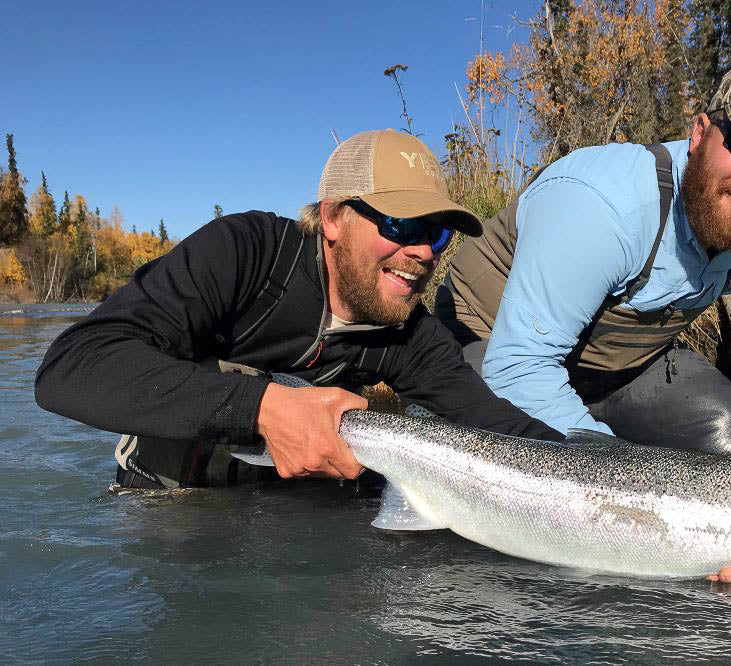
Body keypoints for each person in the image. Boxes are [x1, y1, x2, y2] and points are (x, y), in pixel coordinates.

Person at [35, 129, 563, 489]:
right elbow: (72, 366)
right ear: (334, 218)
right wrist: (264, 407)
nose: (424, 252)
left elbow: (503, 430)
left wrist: (610, 473)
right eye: (402, 225)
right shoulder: (244, 254)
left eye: (437, 232)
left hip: (287, 517)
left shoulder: (412, 336)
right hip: (170, 507)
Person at [437, 56, 731, 466]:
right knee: (480, 477)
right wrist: (623, 469)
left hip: (615, 370)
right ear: (700, 133)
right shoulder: (605, 203)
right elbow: (519, 366)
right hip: (493, 342)